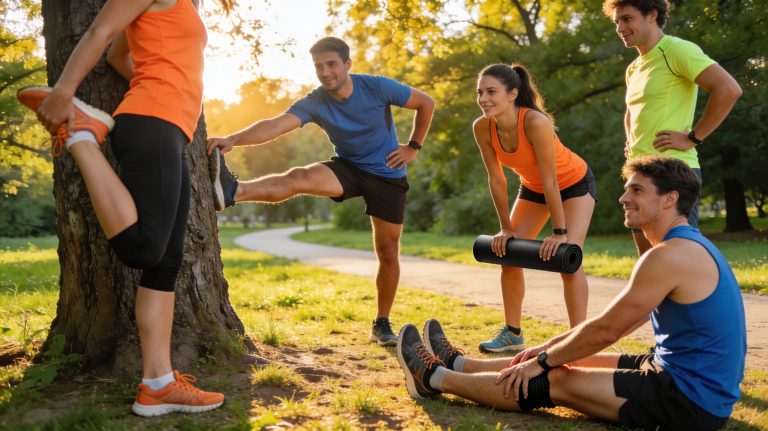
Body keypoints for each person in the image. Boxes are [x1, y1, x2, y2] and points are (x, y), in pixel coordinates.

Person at [396, 156, 746, 431]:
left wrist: (543, 362)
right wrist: (548, 349)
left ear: (670, 199)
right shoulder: (687, 246)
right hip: (681, 375)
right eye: (627, 189)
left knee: (556, 377)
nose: (623, 198)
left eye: (637, 190)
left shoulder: (669, 256)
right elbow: (617, 322)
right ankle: (461, 364)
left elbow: (607, 331)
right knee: (568, 357)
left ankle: (434, 379)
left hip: (689, 401)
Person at [16, 0, 232, 417]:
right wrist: (63, 92)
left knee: (165, 265)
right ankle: (80, 135)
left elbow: (118, 55)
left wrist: (161, 82)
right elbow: (99, 32)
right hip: (152, 122)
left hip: (171, 131)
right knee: (142, 249)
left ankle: (158, 385)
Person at [206, 37, 435, 347]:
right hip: (348, 168)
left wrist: (413, 146)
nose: (325, 72)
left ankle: (381, 322)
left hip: (387, 174)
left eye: (331, 64)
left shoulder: (377, 86)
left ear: (347, 64)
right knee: (298, 177)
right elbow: (275, 125)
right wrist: (233, 139)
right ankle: (234, 192)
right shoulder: (316, 101)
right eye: (319, 67)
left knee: (388, 251)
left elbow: (426, 102)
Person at [472, 64, 596, 352]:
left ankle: (578, 339)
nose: (483, 99)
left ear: (513, 94)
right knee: (507, 254)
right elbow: (496, 179)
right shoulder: (482, 127)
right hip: (533, 188)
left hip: (573, 184)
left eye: (491, 92)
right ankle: (513, 334)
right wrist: (506, 228)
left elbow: (552, 180)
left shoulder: (535, 122)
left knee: (569, 259)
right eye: (480, 93)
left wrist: (560, 232)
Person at [603, 0, 742, 255]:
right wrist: (631, 141)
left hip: (673, 172)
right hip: (639, 174)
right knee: (648, 260)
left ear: (652, 15)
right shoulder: (633, 68)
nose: (620, 28)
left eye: (627, 19)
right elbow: (632, 110)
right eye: (617, 22)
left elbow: (728, 89)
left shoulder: (677, 50)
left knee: (678, 258)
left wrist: (693, 138)